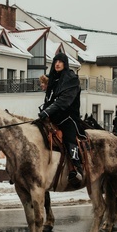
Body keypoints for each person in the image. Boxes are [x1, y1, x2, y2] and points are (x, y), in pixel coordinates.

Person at [38, 52, 83, 183]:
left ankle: (75, 166)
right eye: (55, 61)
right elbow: (49, 99)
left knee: (69, 135)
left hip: (67, 115)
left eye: (60, 61)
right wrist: (44, 112)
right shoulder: (52, 79)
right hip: (52, 116)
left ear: (65, 63)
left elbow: (64, 101)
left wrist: (47, 111)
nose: (57, 64)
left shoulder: (71, 79)